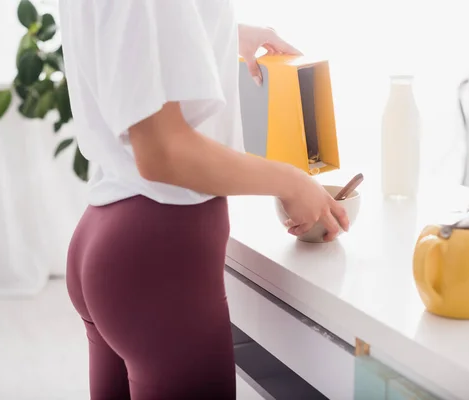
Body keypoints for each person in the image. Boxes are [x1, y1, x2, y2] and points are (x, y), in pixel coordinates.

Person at [58, 1, 349, 399]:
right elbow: (163, 152)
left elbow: (127, 42)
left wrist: (221, 34)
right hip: (160, 256)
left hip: (108, 235)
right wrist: (292, 183)